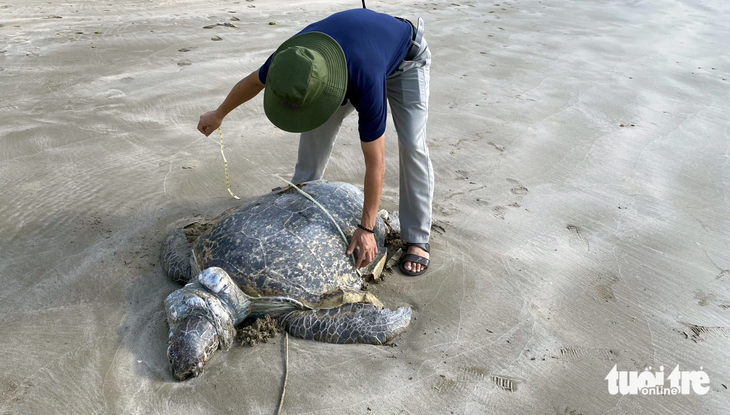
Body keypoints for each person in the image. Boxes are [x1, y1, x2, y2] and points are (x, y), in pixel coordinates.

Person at [197, 8, 433, 276]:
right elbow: (253, 82)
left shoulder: (365, 80)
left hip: (406, 60)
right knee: (315, 123)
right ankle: (302, 192)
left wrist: (367, 227)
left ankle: (417, 236)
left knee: (413, 145)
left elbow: (376, 162)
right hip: (345, 54)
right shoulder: (292, 59)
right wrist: (219, 113)